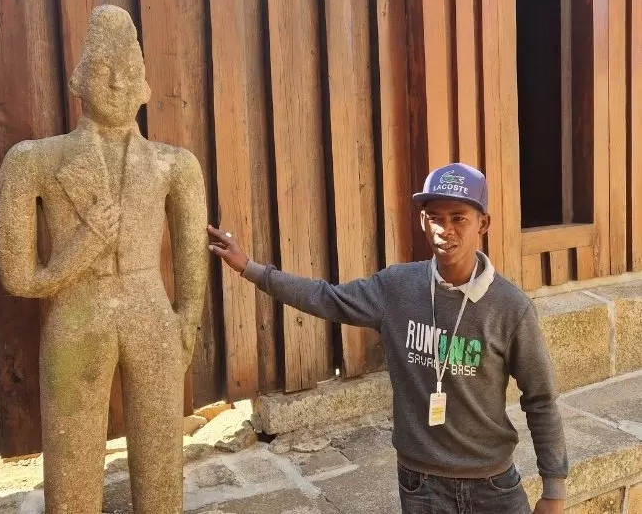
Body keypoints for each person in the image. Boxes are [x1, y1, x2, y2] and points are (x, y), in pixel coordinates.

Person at [208, 163, 567, 514]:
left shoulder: (510, 307)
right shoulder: (396, 288)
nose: (445, 230)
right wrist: (250, 269)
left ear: (482, 224)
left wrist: (554, 490)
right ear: (423, 221)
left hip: (492, 484)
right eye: (435, 217)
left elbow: (540, 398)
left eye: (459, 218)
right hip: (421, 483)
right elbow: (325, 297)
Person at [0, 5, 208, 514]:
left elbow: (191, 250)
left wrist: (187, 320)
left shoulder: (174, 165)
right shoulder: (33, 161)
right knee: (71, 470)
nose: (117, 83)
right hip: (77, 316)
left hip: (152, 316)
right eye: (105, 70)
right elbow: (18, 276)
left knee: (161, 465)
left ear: (145, 85)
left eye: (129, 71)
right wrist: (76, 253)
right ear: (80, 79)